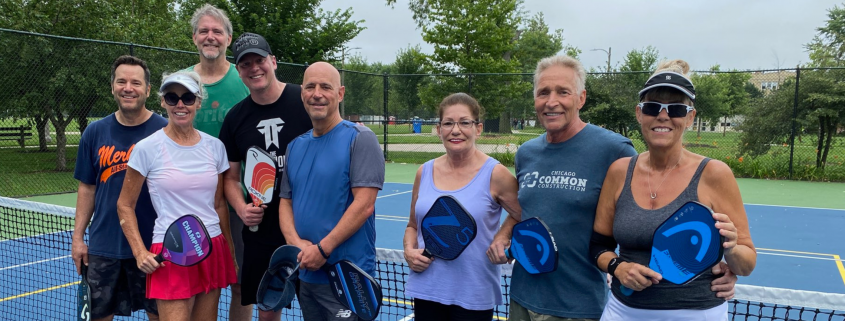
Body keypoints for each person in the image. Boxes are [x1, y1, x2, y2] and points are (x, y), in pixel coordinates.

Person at [486, 55, 739, 321]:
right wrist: (504, 235)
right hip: (521, 298)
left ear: (581, 98)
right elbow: (523, 208)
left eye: (563, 92)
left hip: (579, 307)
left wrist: (717, 261)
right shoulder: (526, 153)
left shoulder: (614, 150)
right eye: (543, 92)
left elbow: (645, 218)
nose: (552, 101)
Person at [592, 60, 756, 320]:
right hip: (622, 312)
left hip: (697, 313)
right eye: (653, 107)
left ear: (690, 117)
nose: (663, 115)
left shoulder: (715, 174)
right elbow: (599, 247)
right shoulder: (619, 171)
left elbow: (746, 264)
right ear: (639, 113)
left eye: (676, 108)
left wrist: (732, 250)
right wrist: (618, 267)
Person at [116, 71, 237, 321]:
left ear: (198, 102)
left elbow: (219, 205)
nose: (180, 104)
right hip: (171, 252)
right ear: (162, 101)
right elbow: (124, 205)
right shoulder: (146, 148)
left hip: (212, 247)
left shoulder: (215, 147)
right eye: (172, 98)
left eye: (188, 98)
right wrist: (140, 252)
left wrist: (231, 252)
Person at [278, 62, 385, 321]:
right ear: (302, 92)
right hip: (307, 275)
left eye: (325, 87)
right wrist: (296, 244)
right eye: (310, 87)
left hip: (347, 279)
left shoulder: (361, 138)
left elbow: (364, 204)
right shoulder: (294, 146)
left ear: (340, 93)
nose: (317, 94)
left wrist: (322, 250)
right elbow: (285, 203)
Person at [219, 32, 313, 321]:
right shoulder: (235, 118)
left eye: (259, 60)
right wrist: (241, 207)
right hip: (263, 231)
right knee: (268, 309)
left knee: (320, 306)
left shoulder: (306, 100)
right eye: (245, 64)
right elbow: (231, 179)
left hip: (311, 225)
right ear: (238, 71)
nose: (254, 68)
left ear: (273, 61)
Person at [403, 93, 520, 321]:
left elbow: (524, 216)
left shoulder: (496, 174)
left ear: (478, 128)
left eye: (464, 122)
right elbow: (412, 226)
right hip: (427, 289)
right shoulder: (424, 172)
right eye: (448, 123)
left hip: (474, 294)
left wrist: (503, 238)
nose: (455, 130)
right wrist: (409, 251)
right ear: (439, 130)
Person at [71, 55, 166, 321]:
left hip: (153, 247)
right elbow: (87, 188)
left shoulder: (165, 131)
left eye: (136, 83)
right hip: (103, 247)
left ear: (147, 90)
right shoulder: (94, 132)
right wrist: (78, 238)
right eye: (121, 81)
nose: (128, 88)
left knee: (159, 316)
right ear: (112, 86)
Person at [184, 5, 252, 320]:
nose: (210, 37)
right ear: (195, 37)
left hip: (239, 200)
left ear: (228, 38)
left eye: (217, 31)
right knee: (196, 284)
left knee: (241, 283)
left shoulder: (245, 80)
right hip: (190, 203)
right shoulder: (180, 83)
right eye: (204, 31)